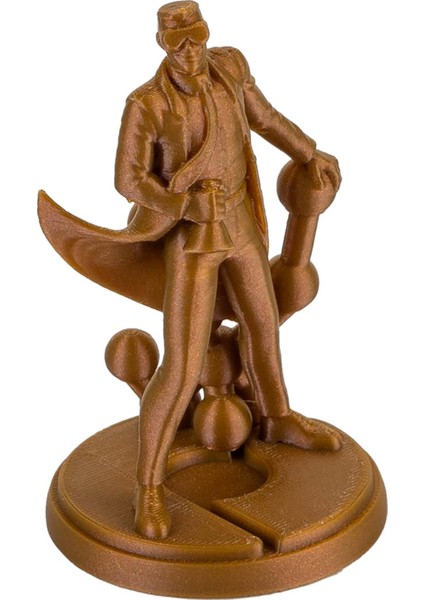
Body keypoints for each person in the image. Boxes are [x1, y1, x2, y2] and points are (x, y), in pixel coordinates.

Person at [114, 1, 342, 539]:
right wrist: (184, 205)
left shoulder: (230, 67)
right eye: (178, 43)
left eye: (196, 37)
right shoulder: (147, 104)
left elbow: (263, 117)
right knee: (182, 364)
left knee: (263, 324)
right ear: (163, 45)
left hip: (239, 221)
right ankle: (149, 486)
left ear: (206, 32)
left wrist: (308, 152)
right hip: (193, 238)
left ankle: (277, 417)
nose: (190, 50)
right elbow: (128, 179)